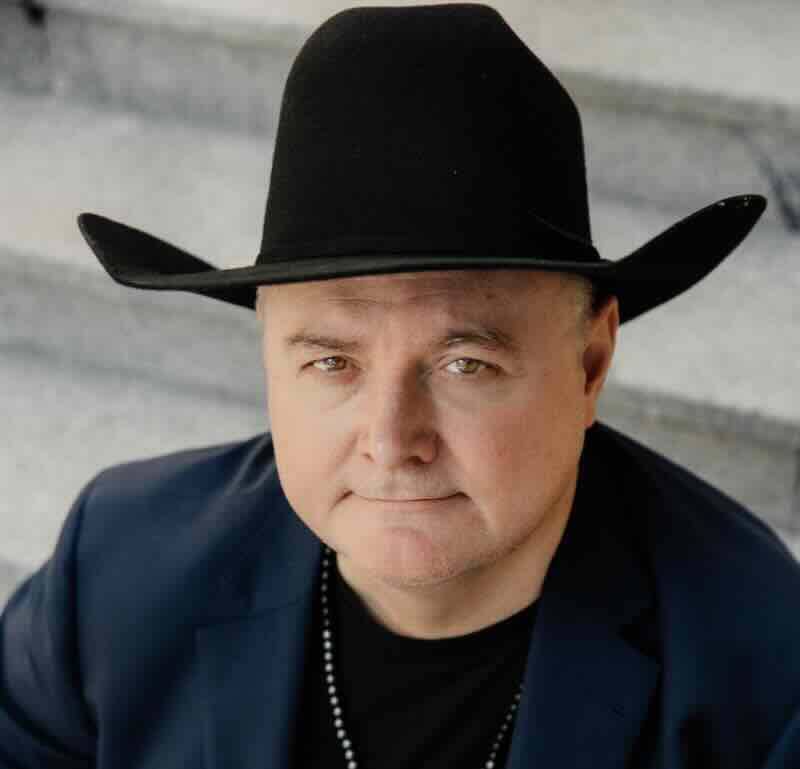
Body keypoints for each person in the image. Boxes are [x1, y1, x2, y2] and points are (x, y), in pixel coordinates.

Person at [2, 5, 799, 768]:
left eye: (464, 364)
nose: (391, 439)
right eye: (330, 362)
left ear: (590, 363)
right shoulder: (118, 564)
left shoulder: (762, 660)